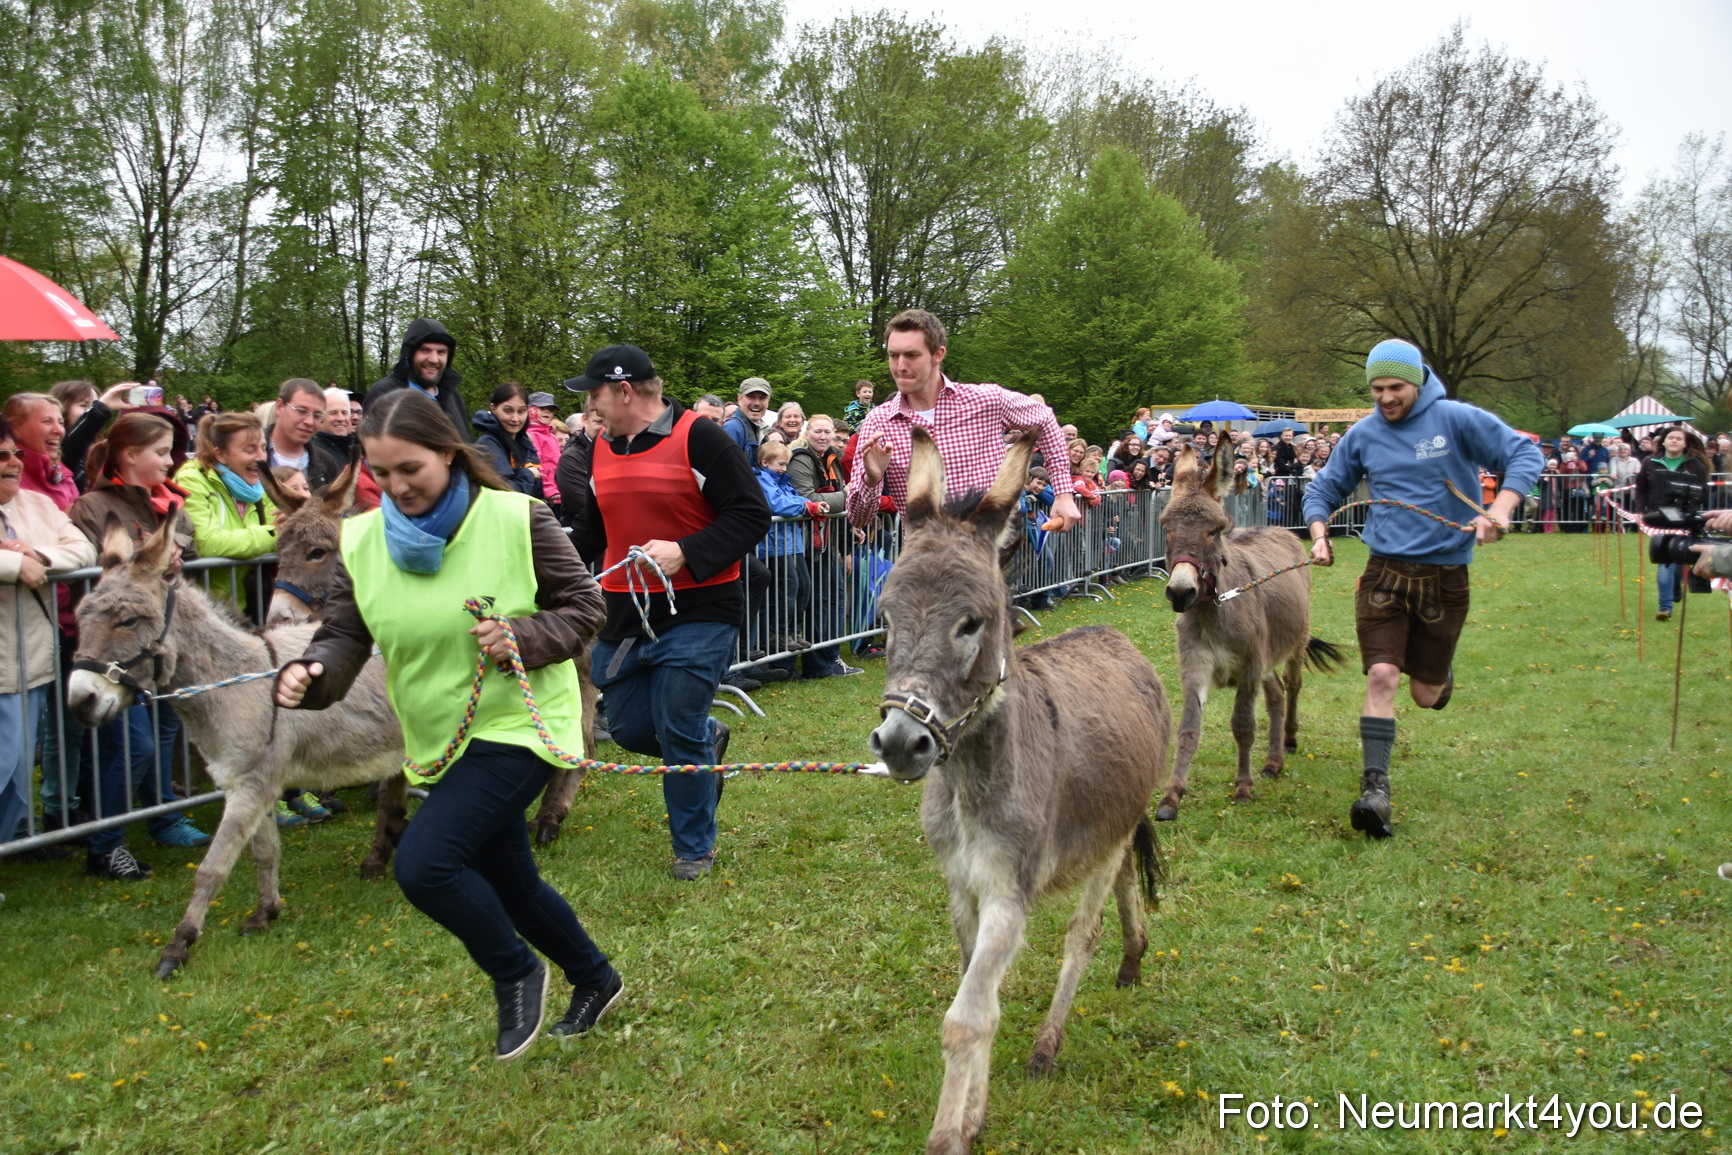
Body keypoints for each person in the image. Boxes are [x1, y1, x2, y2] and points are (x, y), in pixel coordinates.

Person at [273, 388, 619, 1059]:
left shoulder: (518, 517)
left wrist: (523, 632)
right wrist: (313, 671)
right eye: (382, 474)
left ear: (448, 452)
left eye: (412, 469)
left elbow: (585, 605)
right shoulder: (363, 538)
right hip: (438, 730)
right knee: (512, 881)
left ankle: (515, 969)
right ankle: (596, 976)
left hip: (520, 722)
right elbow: (345, 631)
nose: (397, 486)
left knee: (426, 864)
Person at [1301, 338, 1543, 840]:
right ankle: (1375, 791)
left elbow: (1523, 453)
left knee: (1426, 695)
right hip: (1384, 573)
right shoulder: (1364, 433)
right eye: (1377, 389)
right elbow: (1324, 487)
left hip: (1444, 576)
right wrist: (1320, 532)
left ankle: (1438, 674)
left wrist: (1500, 510)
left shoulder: (1455, 419)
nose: (1386, 398)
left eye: (1395, 387)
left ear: (1418, 381)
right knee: (1382, 676)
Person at [565, 344, 770, 881]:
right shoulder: (600, 449)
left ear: (625, 391)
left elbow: (751, 514)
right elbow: (593, 528)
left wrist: (687, 551)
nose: (590, 405)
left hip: (701, 610)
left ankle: (694, 847)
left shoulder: (698, 437)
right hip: (628, 617)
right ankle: (709, 738)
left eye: (595, 394)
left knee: (676, 726)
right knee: (633, 730)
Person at [68, 413, 213, 877]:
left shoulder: (167, 501)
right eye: (160, 452)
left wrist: (175, 548)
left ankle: (163, 817)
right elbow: (104, 572)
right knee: (134, 745)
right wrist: (148, 553)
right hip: (117, 649)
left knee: (165, 733)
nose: (170, 461)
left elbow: (188, 541)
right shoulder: (92, 506)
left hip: (163, 644)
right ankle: (106, 846)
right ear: (130, 455)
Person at [846, 309, 1079, 531]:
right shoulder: (878, 422)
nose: (900, 366)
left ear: (938, 355)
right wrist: (871, 479)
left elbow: (1045, 420)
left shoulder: (986, 400)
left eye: (911, 355)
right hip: (927, 564)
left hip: (988, 559)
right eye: (893, 356)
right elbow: (858, 519)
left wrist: (1063, 493)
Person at [0, 416, 97, 847]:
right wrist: (12, 566)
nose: (14, 463)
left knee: (17, 770)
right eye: (2, 456)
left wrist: (35, 555)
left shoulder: (36, 504)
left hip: (29, 662)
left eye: (15, 454)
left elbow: (82, 549)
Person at [173, 412, 278, 619]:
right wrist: (272, 535)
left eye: (264, 448)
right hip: (196, 611)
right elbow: (207, 543)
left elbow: (286, 528)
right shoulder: (191, 480)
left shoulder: (259, 485)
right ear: (220, 455)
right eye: (250, 450)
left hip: (237, 608)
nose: (261, 457)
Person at [786, 414, 860, 679]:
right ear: (807, 432)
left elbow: (835, 508)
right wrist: (846, 496)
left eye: (827, 432)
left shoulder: (832, 460)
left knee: (835, 600)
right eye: (818, 431)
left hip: (828, 544)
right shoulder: (801, 459)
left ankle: (831, 659)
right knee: (818, 605)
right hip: (807, 545)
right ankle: (818, 665)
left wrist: (848, 541)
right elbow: (809, 499)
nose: (823, 436)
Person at [1635, 425, 1711, 622]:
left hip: (1685, 518)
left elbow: (1703, 493)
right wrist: (1641, 510)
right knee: (1665, 560)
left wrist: (1687, 494)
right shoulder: (1649, 462)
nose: (1674, 441)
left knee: (1677, 560)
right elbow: (1641, 488)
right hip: (1658, 517)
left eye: (1678, 438)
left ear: (1686, 443)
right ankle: (1665, 607)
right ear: (1664, 441)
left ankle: (1675, 587)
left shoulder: (1695, 465)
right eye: (1671, 437)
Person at [366, 318, 469, 439]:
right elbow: (374, 447)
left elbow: (467, 445)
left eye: (441, 352)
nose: (434, 359)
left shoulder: (451, 394)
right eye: (425, 350)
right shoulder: (386, 392)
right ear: (410, 354)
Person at [266, 378, 344, 493]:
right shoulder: (251, 454)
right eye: (301, 411)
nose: (309, 421)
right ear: (280, 407)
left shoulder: (326, 463)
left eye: (317, 416)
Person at [471, 383, 544, 499]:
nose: (515, 418)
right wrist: (529, 474)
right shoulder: (487, 444)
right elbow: (505, 493)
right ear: (493, 408)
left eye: (521, 411)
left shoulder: (524, 442)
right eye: (508, 411)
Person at [523, 392, 564, 514]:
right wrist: (549, 490)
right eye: (542, 408)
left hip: (558, 494)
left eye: (551, 409)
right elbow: (537, 465)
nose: (547, 412)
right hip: (544, 495)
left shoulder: (552, 437)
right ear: (531, 410)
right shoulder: (531, 435)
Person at [722, 377, 774, 467]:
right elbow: (727, 471)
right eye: (751, 397)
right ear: (739, 399)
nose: (757, 403)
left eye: (762, 398)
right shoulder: (733, 428)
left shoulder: (763, 430)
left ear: (768, 402)